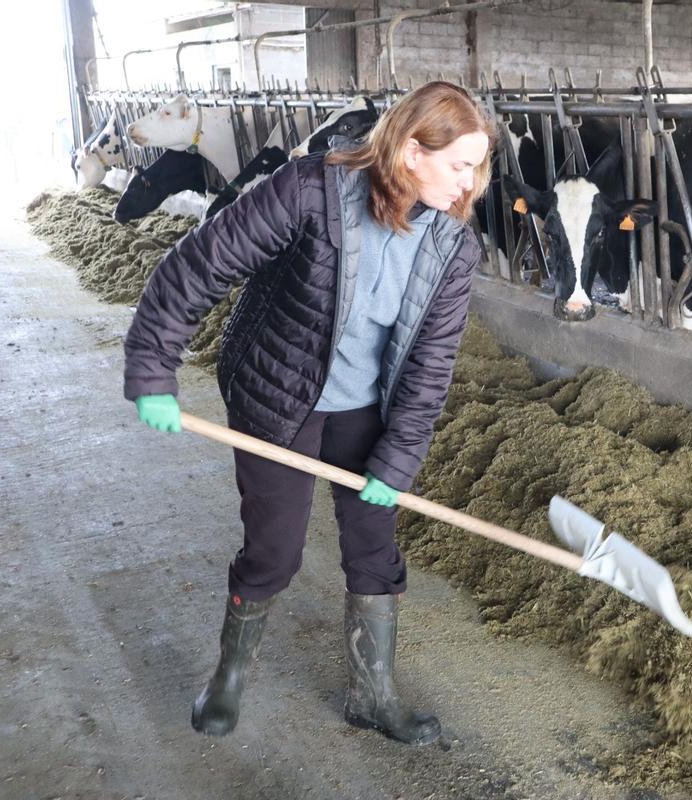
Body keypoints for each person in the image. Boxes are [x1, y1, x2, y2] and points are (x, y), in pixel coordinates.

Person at [122, 81, 494, 746]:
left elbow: (430, 367)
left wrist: (396, 459)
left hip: (369, 407)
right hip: (278, 393)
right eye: (459, 165)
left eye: (478, 167)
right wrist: (154, 368)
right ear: (412, 150)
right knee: (274, 552)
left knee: (375, 552)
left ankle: (373, 697)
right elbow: (198, 265)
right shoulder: (308, 191)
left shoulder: (453, 247)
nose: (471, 184)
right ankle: (228, 679)